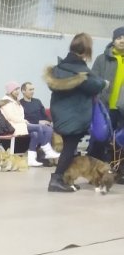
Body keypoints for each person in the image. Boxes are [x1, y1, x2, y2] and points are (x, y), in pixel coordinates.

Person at [43, 33, 108, 193]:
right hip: (74, 117)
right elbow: (96, 85)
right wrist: (105, 83)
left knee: (69, 148)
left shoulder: (60, 68)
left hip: (61, 116)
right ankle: (56, 180)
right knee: (69, 148)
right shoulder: (80, 71)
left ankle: (64, 179)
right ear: (86, 51)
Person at [0, 81, 59, 167]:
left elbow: (19, 115)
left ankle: (32, 159)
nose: (17, 92)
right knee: (41, 128)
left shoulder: (15, 101)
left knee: (36, 133)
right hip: (14, 126)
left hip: (20, 124)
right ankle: (47, 150)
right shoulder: (6, 102)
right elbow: (11, 117)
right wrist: (24, 121)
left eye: (17, 89)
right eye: (15, 90)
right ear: (10, 91)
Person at [90, 26, 124, 159]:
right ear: (113, 41)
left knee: (120, 142)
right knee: (99, 139)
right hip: (105, 106)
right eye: (119, 38)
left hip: (122, 108)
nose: (122, 41)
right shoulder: (101, 59)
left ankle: (118, 169)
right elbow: (93, 80)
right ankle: (95, 170)